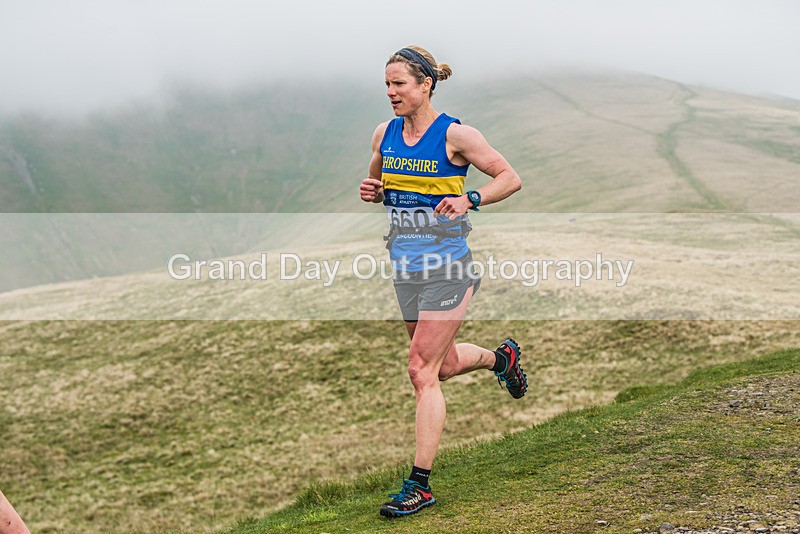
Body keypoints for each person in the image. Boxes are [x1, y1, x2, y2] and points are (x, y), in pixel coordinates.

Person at [359, 45, 527, 517]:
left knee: (419, 370)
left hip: (449, 268)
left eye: (399, 84)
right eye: (387, 84)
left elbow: (510, 177)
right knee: (443, 365)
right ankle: (502, 358)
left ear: (425, 84)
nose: (391, 93)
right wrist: (373, 191)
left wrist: (470, 197)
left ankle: (420, 485)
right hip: (405, 269)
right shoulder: (384, 133)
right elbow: (377, 182)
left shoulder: (455, 135)